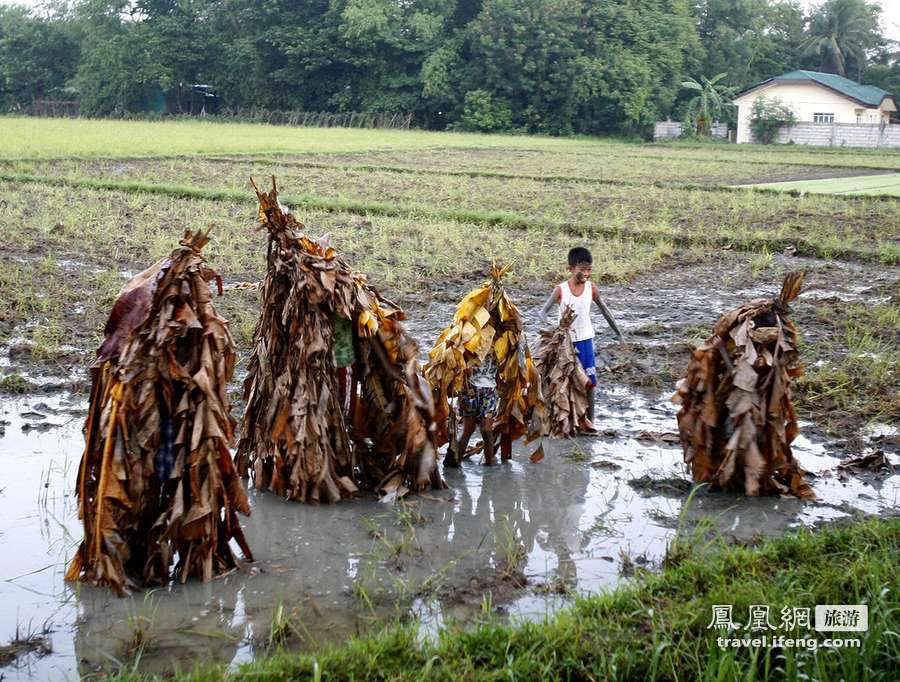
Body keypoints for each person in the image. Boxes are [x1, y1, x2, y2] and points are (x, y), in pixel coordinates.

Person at [539, 246, 628, 428]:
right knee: (559, 382)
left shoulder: (591, 289)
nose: (586, 274)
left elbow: (606, 311)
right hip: (565, 343)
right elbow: (542, 312)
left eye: (589, 270)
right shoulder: (561, 290)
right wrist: (553, 327)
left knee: (589, 383)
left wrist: (619, 335)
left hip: (585, 341)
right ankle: (557, 422)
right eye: (582, 270)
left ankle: (591, 423)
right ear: (571, 269)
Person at [448, 353, 499, 467]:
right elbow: (458, 358)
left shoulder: (503, 339)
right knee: (468, 430)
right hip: (469, 388)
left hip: (490, 391)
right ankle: (456, 464)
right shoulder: (474, 338)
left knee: (486, 430)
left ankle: (489, 466)